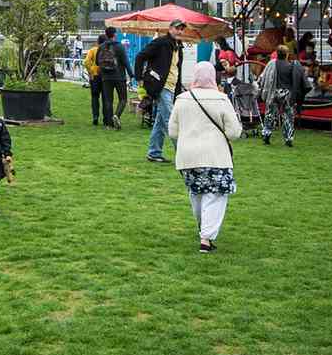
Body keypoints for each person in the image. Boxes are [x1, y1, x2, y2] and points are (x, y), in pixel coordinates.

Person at [168, 62, 243, 253]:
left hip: (187, 157)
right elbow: (234, 132)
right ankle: (206, 238)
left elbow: (173, 132)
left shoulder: (182, 99)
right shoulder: (222, 99)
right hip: (215, 155)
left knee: (197, 193)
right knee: (215, 195)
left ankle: (204, 230)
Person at [136, 21, 189, 164]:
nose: (180, 31)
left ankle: (154, 152)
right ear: (170, 29)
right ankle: (184, 155)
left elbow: (176, 70)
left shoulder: (178, 47)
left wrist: (178, 90)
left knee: (160, 121)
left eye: (182, 29)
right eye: (177, 28)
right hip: (161, 86)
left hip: (171, 87)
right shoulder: (161, 42)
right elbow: (140, 56)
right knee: (171, 121)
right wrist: (139, 78)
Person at [261, 48, 308, 147]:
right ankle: (288, 139)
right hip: (287, 93)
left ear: (277, 54)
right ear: (286, 54)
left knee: (270, 115)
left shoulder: (271, 64)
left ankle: (266, 135)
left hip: (274, 92)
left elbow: (263, 77)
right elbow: (296, 81)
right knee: (288, 116)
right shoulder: (292, 66)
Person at [94, 26, 131, 129]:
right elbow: (126, 62)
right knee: (123, 99)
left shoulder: (101, 47)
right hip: (119, 77)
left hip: (106, 77)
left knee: (108, 101)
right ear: (115, 34)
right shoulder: (120, 46)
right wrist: (132, 75)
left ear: (106, 35)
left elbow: (97, 62)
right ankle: (117, 115)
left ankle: (109, 124)